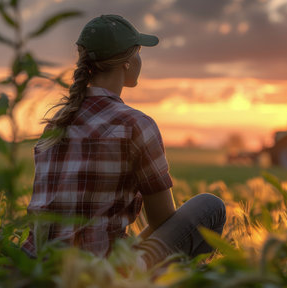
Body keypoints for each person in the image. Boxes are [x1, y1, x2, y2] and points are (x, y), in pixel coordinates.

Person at [22, 14, 226, 270]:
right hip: (101, 273)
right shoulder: (135, 125)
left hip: (37, 267)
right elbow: (162, 219)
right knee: (210, 206)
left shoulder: (55, 124)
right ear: (127, 62)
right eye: (139, 51)